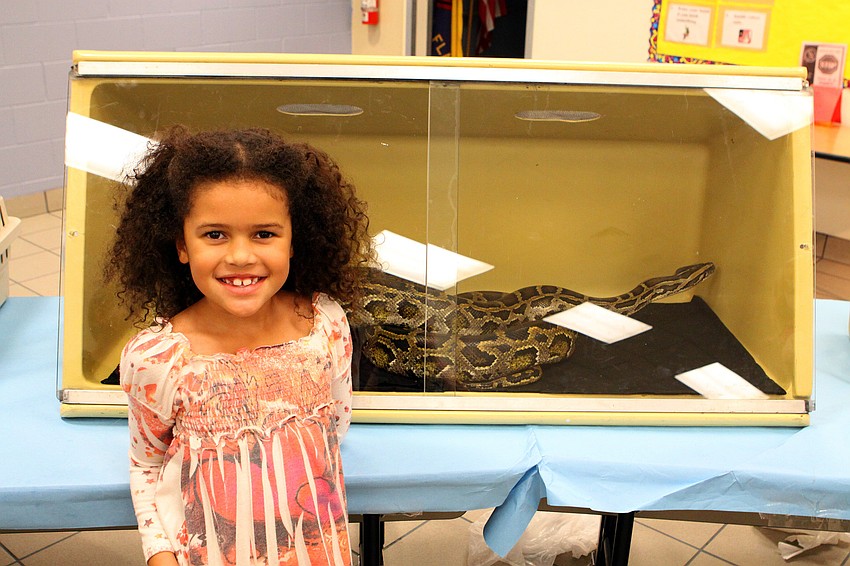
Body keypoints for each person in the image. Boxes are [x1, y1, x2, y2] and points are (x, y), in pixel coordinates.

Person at [105, 126, 372, 566]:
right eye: (215, 235)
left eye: (264, 234)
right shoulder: (158, 359)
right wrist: (159, 555)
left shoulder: (325, 325)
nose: (241, 256)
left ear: (294, 239)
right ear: (181, 245)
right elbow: (146, 466)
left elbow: (334, 429)